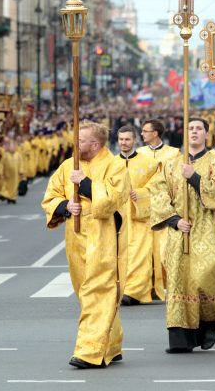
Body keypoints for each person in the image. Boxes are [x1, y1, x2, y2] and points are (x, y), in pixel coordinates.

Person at [150, 118, 215, 353]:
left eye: (198, 129)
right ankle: (181, 339)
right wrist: (173, 220)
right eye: (190, 128)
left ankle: (212, 321)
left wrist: (194, 177)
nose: (194, 132)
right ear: (185, 133)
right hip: (179, 229)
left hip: (206, 226)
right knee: (180, 282)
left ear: (206, 135)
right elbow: (158, 193)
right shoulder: (171, 162)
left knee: (207, 272)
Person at [41, 121, 129, 369]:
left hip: (104, 236)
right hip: (76, 237)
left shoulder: (115, 165)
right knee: (84, 291)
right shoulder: (69, 165)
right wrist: (66, 206)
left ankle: (89, 351)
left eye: (81, 140)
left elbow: (114, 199)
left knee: (97, 290)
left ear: (96, 144)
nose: (75, 144)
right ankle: (111, 342)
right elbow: (51, 195)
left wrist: (86, 184)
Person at [116, 125, 160, 305]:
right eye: (121, 139)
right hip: (117, 217)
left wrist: (141, 193)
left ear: (135, 140)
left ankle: (134, 292)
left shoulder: (148, 163)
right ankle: (121, 289)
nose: (124, 143)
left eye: (127, 139)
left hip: (139, 217)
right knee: (119, 254)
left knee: (139, 254)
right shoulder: (110, 163)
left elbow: (158, 184)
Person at [137, 119, 181, 301]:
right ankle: (144, 287)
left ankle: (171, 286)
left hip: (164, 207)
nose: (142, 134)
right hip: (141, 207)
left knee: (164, 250)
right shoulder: (138, 154)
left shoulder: (173, 153)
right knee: (142, 251)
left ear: (155, 133)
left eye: (145, 131)